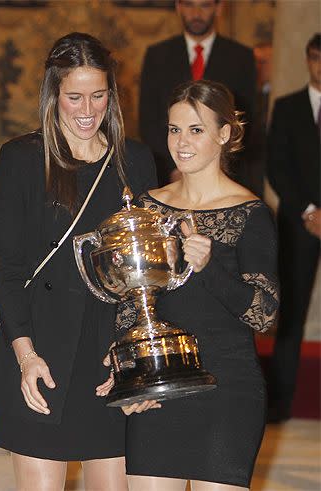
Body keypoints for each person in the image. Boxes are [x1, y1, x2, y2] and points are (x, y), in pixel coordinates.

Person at [0, 32, 157, 489]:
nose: (88, 110)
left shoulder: (133, 160)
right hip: (39, 354)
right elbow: (9, 270)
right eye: (75, 97)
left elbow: (144, 276)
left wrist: (129, 355)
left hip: (106, 358)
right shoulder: (22, 159)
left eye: (98, 95)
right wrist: (26, 355)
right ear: (53, 95)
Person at [124, 80, 279, 490]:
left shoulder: (249, 214)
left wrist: (209, 267)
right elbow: (128, 302)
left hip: (226, 389)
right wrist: (129, 375)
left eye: (196, 129)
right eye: (175, 129)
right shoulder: (147, 206)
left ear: (225, 134)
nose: (181, 142)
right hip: (158, 388)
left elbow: (265, 314)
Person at [139, 0, 257, 192]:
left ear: (219, 8)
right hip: (168, 174)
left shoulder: (240, 56)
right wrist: (175, 167)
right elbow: (148, 120)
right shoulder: (157, 55)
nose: (196, 13)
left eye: (204, 5)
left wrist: (215, 168)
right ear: (178, 7)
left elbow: (246, 119)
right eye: (188, 5)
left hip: (223, 174)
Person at [267, 33, 321, 423]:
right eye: (316, 58)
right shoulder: (287, 108)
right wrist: (308, 211)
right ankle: (280, 405)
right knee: (291, 315)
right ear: (307, 59)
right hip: (299, 224)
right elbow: (276, 167)